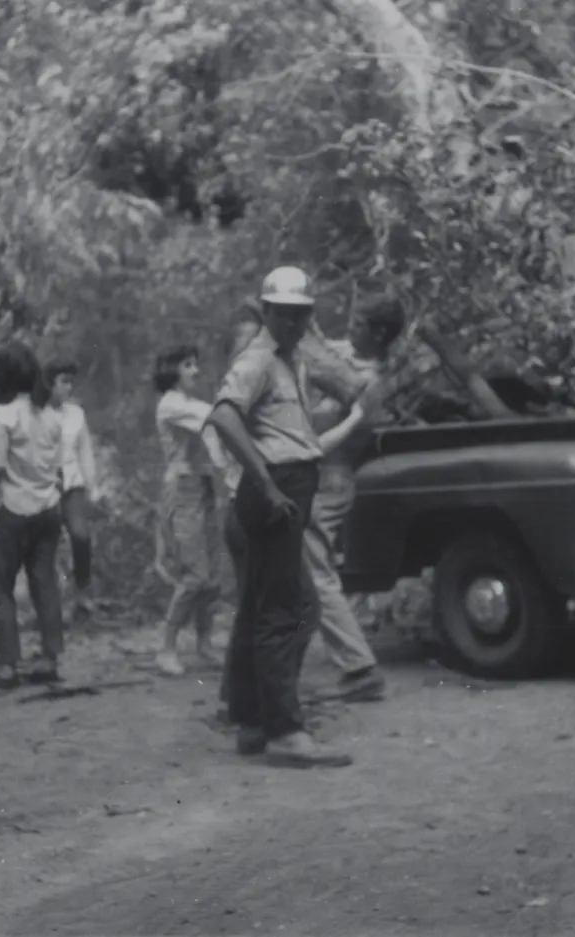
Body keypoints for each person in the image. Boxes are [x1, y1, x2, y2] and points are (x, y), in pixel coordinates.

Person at [207, 266, 351, 768]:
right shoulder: (260, 358)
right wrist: (265, 482)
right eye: (283, 314)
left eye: (300, 315)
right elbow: (223, 414)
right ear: (266, 312)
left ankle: (252, 721)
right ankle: (285, 730)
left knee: (260, 606)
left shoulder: (291, 362)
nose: (292, 323)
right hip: (275, 486)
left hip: (287, 482)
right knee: (284, 609)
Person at [299, 296, 405, 703]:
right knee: (306, 571)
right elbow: (320, 344)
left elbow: (329, 416)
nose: (350, 330)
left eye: (358, 324)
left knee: (316, 573)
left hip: (331, 476)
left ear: (378, 334)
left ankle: (359, 668)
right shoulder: (347, 357)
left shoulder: (370, 381)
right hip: (315, 476)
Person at [0, 343, 65, 690]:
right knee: (45, 585)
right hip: (47, 509)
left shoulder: (0, 416)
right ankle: (49, 658)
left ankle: (8, 665)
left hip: (12, 511)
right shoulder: (52, 416)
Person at [153, 344, 229, 677]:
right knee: (194, 575)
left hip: (203, 486)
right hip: (182, 490)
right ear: (172, 370)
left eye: (195, 365)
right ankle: (166, 647)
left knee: (212, 575)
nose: (195, 372)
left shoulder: (189, 404)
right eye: (187, 365)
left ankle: (204, 643)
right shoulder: (171, 404)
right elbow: (211, 418)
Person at [46, 359, 100, 619]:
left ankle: (83, 592)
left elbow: (85, 452)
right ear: (49, 384)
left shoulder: (76, 414)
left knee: (80, 536)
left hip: (73, 484)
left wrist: (92, 487)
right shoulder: (38, 414)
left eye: (70, 382)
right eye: (63, 381)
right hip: (45, 486)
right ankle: (53, 600)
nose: (68, 387)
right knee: (49, 543)